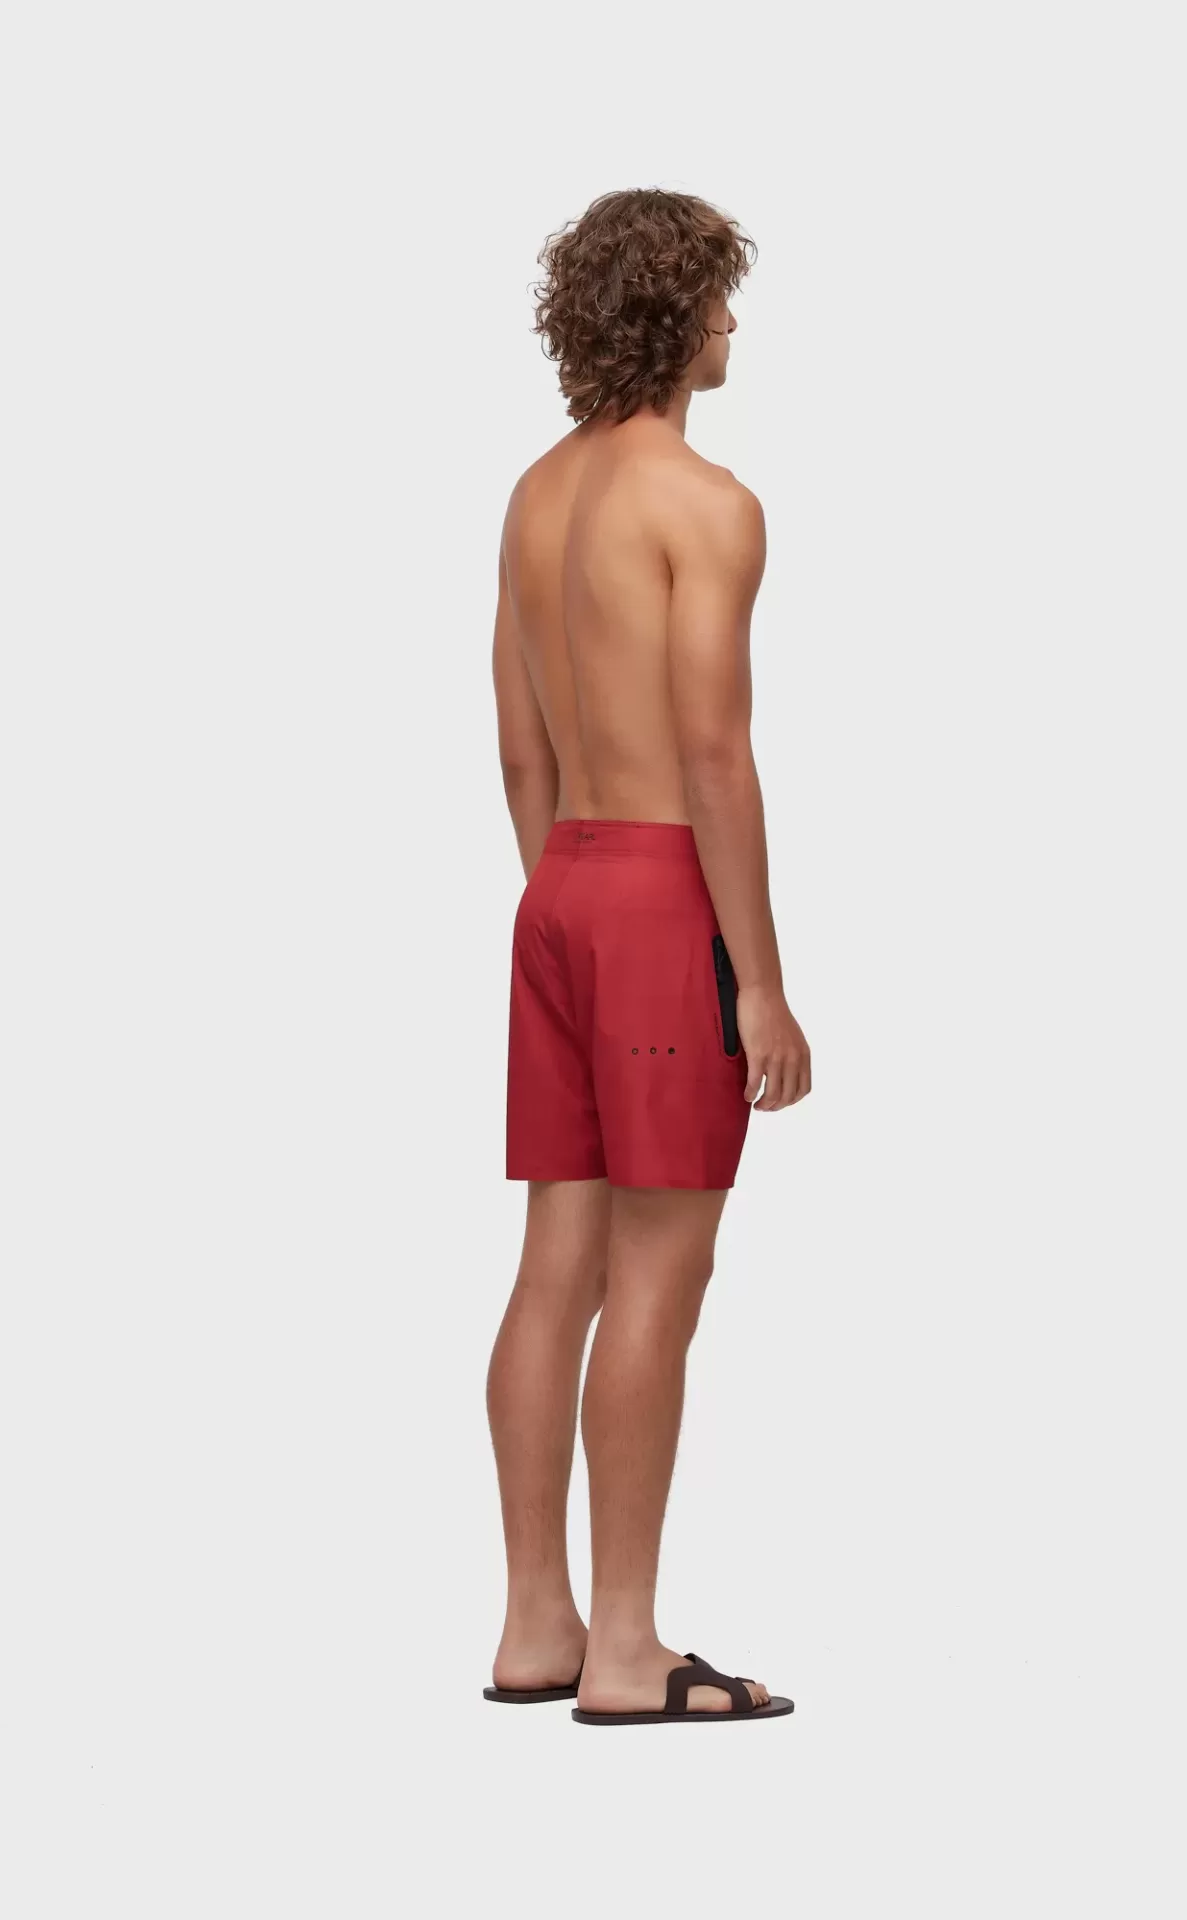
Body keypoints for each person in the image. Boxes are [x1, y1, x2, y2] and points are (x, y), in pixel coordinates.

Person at [484, 188, 810, 1726]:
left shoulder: (536, 494)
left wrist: (568, 897)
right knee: (658, 1282)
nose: (735, 323)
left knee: (557, 1263)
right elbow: (715, 755)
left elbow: (518, 745)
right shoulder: (705, 504)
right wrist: (763, 981)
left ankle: (534, 1626)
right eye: (721, 298)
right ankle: (625, 1648)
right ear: (679, 316)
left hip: (558, 887)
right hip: (660, 896)